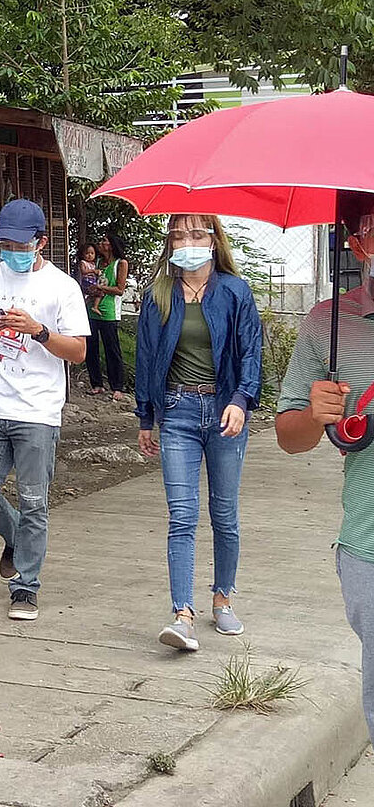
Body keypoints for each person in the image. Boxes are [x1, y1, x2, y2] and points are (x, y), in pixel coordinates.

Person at [136, 214, 261, 653]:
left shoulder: (235, 292)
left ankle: (223, 598)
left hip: (226, 412)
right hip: (178, 412)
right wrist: (145, 418)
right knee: (182, 516)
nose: (186, 242)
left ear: (213, 239)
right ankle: (182, 614)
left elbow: (251, 351)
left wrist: (242, 400)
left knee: (224, 513)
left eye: (195, 234)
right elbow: (146, 357)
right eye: (178, 235)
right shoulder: (159, 295)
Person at [0, 199, 89, 622]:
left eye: (20, 244)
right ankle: (16, 538)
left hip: (38, 410)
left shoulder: (62, 288)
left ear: (41, 244)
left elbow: (79, 351)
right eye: (4, 244)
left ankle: (25, 587)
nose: (11, 251)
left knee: (34, 499)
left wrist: (38, 330)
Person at [276, 200, 374, 744]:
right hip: (367, 542)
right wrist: (315, 413)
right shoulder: (327, 324)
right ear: (355, 243)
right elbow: (290, 438)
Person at [85, 232, 128, 401]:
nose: (101, 244)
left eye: (104, 241)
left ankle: (117, 386)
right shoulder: (97, 263)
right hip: (92, 311)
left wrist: (100, 288)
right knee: (91, 348)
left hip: (109, 312)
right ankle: (96, 384)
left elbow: (120, 289)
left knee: (112, 349)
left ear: (111, 245)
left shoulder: (121, 263)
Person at [75, 243, 104, 316]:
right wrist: (93, 271)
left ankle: (90, 305)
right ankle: (95, 307)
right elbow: (83, 272)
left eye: (92, 253)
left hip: (93, 281)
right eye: (87, 253)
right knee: (99, 292)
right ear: (82, 254)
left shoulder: (94, 264)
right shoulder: (83, 262)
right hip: (86, 281)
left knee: (94, 294)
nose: (90, 255)